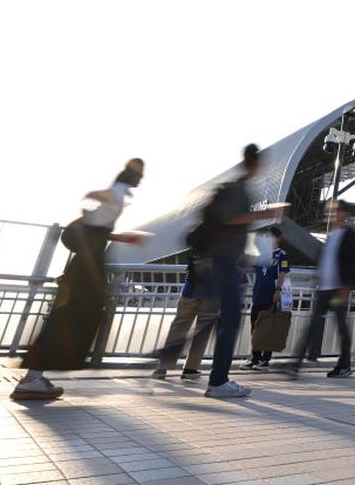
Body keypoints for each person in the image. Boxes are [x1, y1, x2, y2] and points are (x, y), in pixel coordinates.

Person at [11, 159, 147, 400]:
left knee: (72, 317)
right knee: (74, 317)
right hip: (87, 268)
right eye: (139, 173)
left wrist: (122, 238)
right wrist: (95, 197)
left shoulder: (117, 196)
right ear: (131, 175)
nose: (142, 178)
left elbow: (96, 228)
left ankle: (34, 377)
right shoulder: (116, 194)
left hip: (86, 265)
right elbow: (95, 205)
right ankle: (32, 379)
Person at [198, 144, 276, 399]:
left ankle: (217, 377)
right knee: (230, 319)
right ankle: (218, 380)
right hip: (223, 261)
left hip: (226, 260)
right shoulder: (238, 189)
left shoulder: (239, 187)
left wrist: (243, 256)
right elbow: (227, 218)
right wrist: (264, 213)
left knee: (224, 319)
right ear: (254, 163)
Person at [286, 199, 355, 378]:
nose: (330, 214)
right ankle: (295, 364)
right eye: (329, 211)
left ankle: (344, 365)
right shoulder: (332, 235)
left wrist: (346, 287)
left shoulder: (350, 235)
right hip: (324, 288)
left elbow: (354, 262)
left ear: (344, 214)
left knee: (342, 329)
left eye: (334, 211)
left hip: (338, 289)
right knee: (312, 326)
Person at [152, 247, 217, 381]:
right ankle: (190, 368)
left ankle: (163, 366)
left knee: (179, 326)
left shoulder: (200, 237)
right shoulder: (225, 240)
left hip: (191, 286)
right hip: (211, 291)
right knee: (202, 331)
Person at [242, 225, 289, 371]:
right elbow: (248, 264)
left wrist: (278, 290)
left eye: (271, 237)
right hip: (258, 294)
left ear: (278, 238)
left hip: (271, 294)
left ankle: (265, 359)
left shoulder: (282, 254)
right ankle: (255, 357)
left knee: (268, 327)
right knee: (255, 327)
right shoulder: (261, 254)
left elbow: (283, 273)